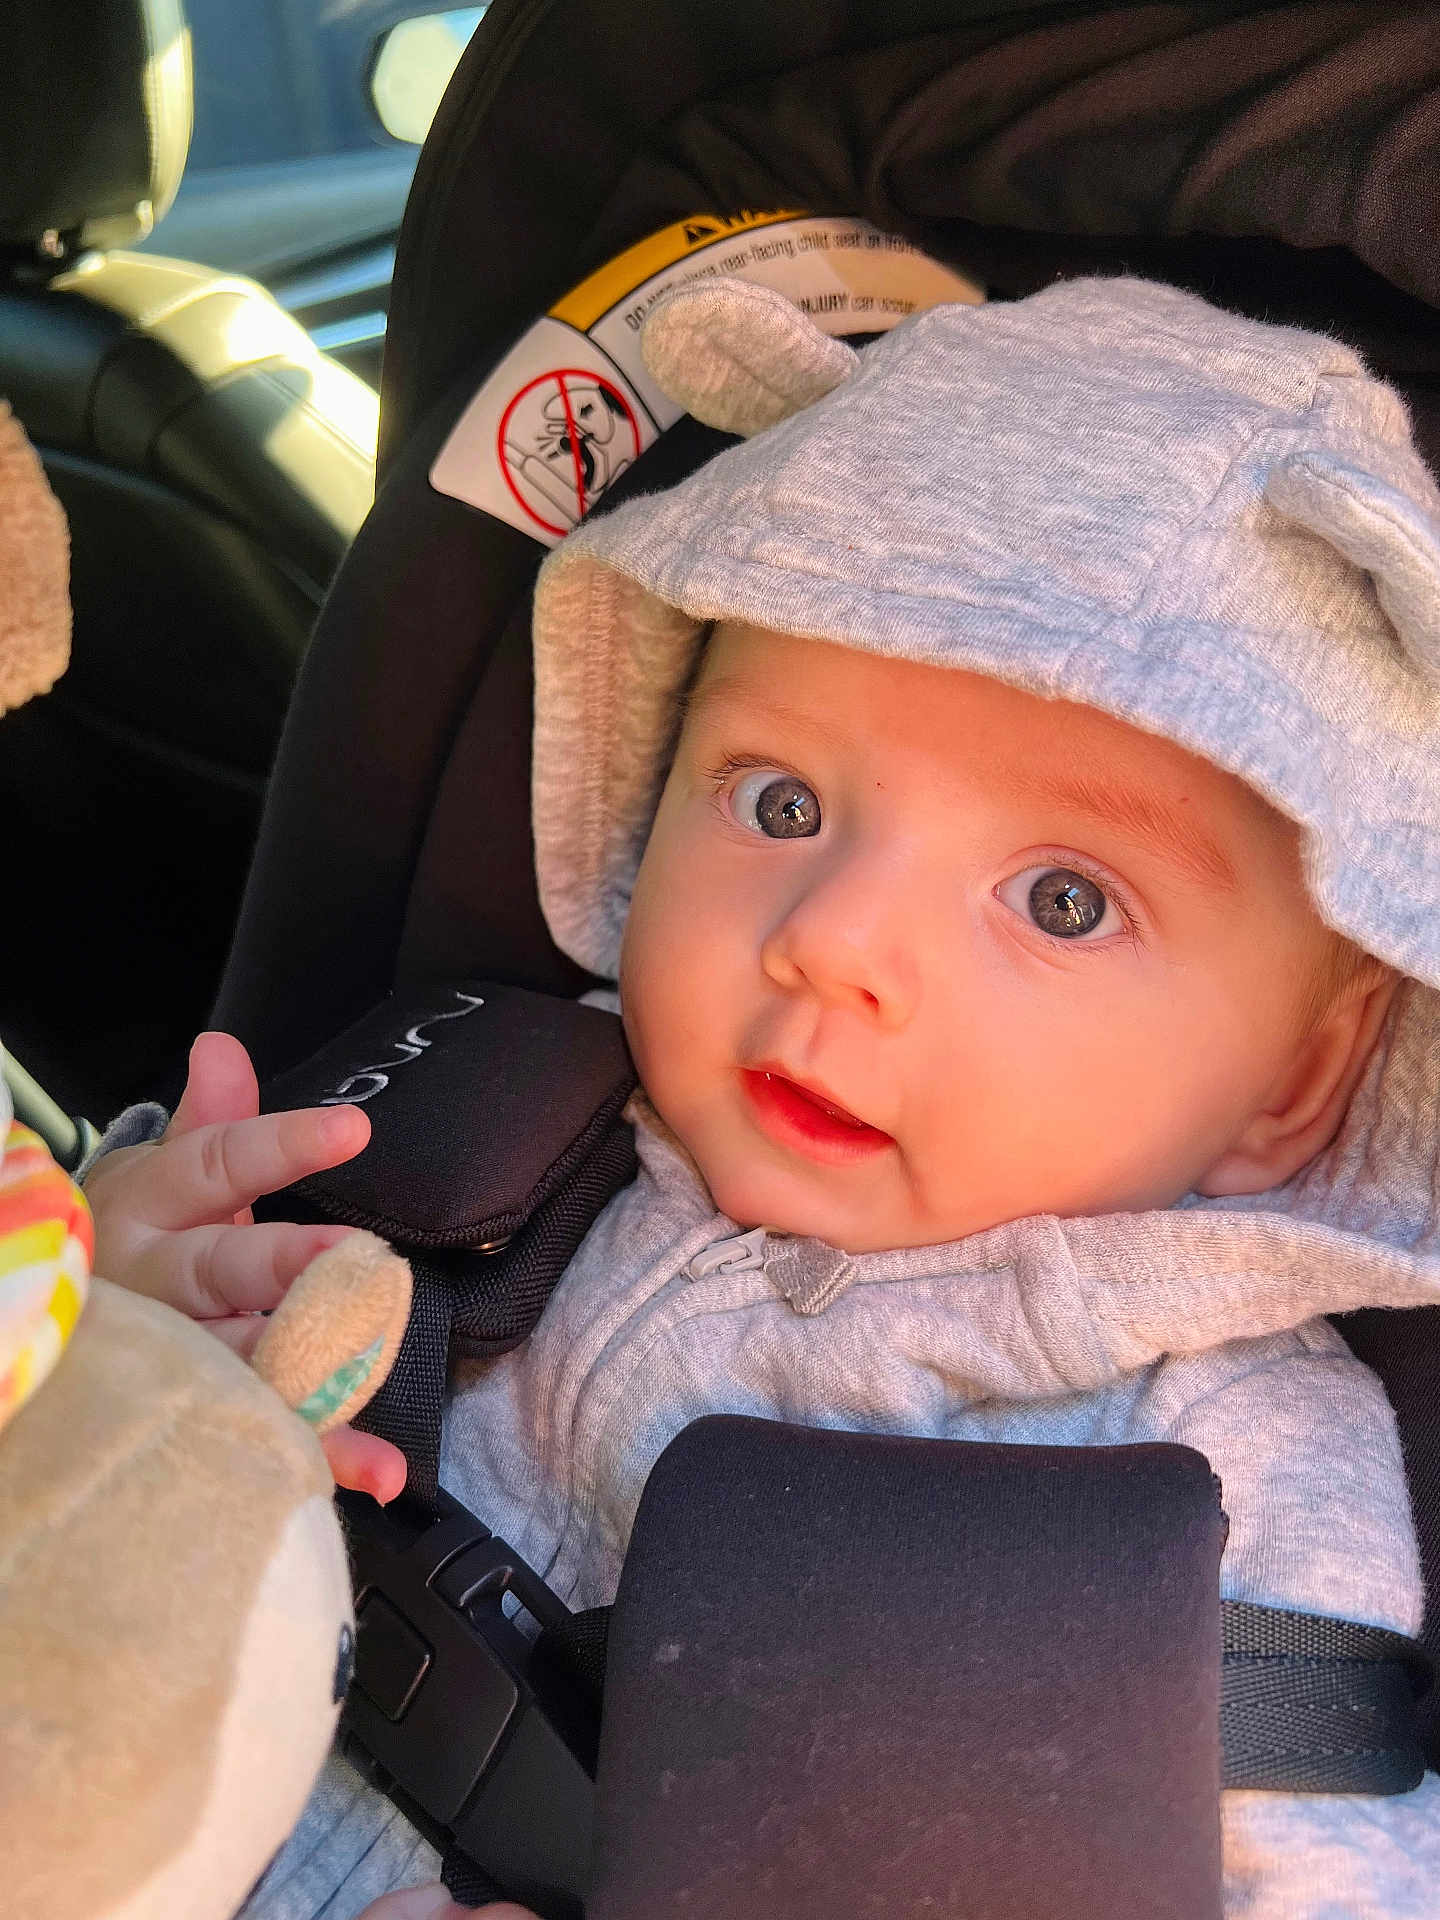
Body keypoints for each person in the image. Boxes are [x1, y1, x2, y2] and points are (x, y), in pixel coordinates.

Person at [89, 273, 1440, 1918]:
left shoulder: (1228, 1455)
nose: (833, 943)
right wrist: (119, 1319)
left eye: (1064, 901)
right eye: (782, 800)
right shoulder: (474, 1113)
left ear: (1299, 1075)